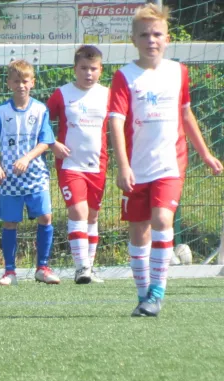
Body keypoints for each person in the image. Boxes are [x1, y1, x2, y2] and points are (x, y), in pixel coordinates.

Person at [109, 4, 222, 316]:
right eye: (144, 34)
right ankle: (144, 293)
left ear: (167, 38)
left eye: (157, 33)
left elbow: (185, 113)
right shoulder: (124, 76)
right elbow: (116, 122)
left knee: (161, 220)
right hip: (136, 167)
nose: (151, 39)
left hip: (170, 164)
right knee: (139, 232)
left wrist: (206, 154)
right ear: (134, 39)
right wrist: (123, 166)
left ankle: (157, 291)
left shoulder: (178, 72)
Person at [0, 59, 59, 286]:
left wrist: (27, 158)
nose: (21, 85)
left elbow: (46, 141)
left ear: (32, 83)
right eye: (16, 81)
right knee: (10, 222)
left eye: (25, 81)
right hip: (9, 177)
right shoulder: (1, 111)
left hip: (35, 173)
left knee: (45, 216)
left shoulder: (40, 109)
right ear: (9, 83)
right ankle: (10, 272)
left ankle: (43, 267)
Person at [47, 45, 109, 285]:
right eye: (83, 68)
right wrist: (52, 144)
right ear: (75, 69)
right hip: (70, 165)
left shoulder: (108, 94)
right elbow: (42, 122)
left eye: (93, 68)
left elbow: (120, 126)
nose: (88, 73)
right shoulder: (62, 94)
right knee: (78, 212)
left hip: (98, 165)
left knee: (92, 216)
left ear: (100, 70)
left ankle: (89, 268)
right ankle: (81, 267)